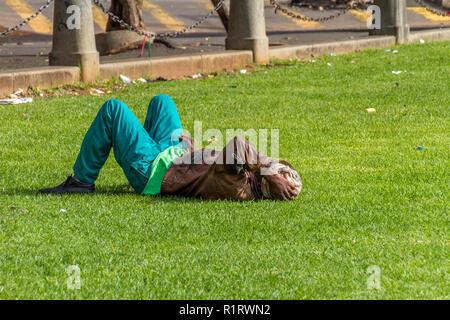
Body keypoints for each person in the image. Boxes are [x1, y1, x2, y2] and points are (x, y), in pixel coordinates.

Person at [39, 95, 302, 201]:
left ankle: (81, 181)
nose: (279, 166)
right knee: (162, 101)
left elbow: (236, 144)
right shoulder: (250, 174)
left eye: (281, 173)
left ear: (271, 183)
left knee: (113, 109)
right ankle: (138, 141)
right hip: (177, 154)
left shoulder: (239, 184)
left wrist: (269, 169)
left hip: (153, 170)